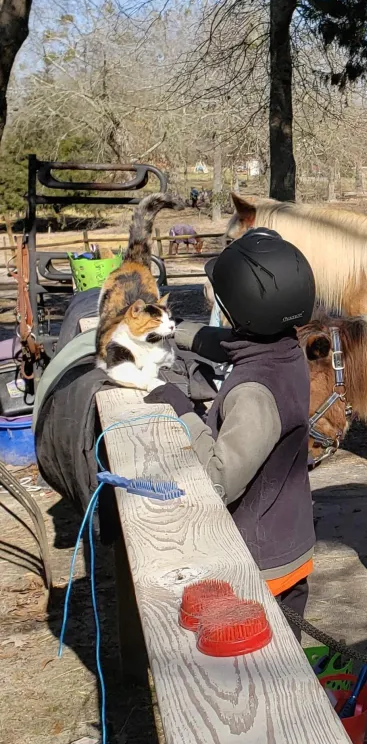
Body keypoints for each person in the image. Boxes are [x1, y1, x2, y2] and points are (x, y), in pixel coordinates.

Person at [146, 228, 317, 628]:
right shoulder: (287, 350)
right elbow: (229, 344)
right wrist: (174, 328)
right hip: (285, 536)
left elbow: (218, 480)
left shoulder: (255, 394)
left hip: (260, 567)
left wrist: (181, 408)